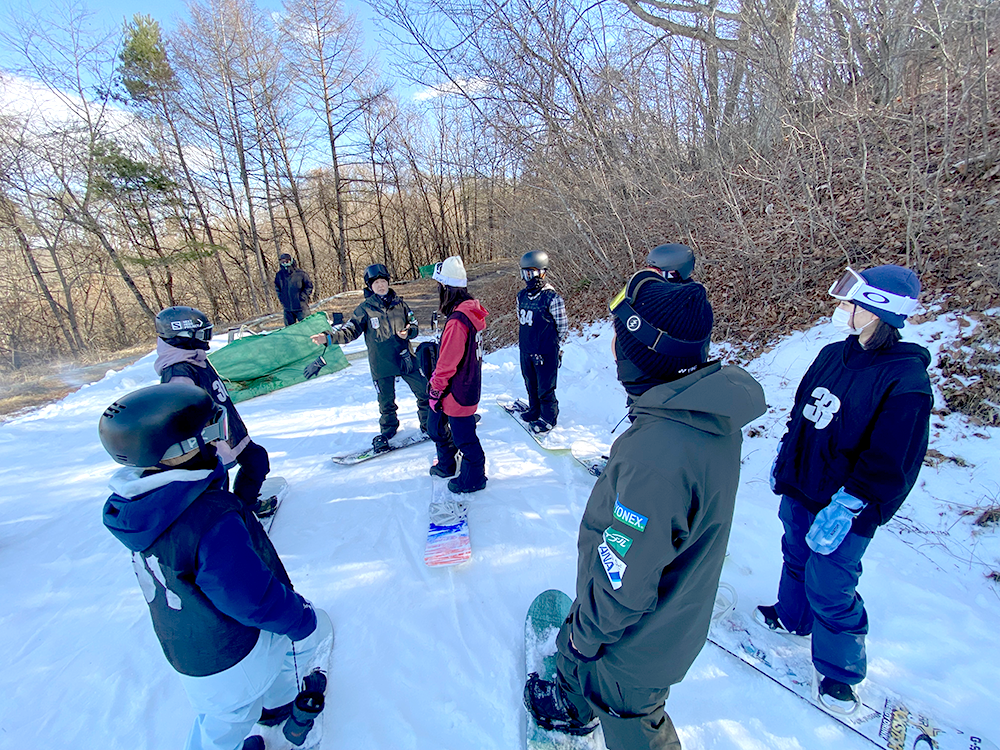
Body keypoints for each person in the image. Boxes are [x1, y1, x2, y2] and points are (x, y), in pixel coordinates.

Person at [524, 273, 767, 749]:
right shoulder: (698, 412)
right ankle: (574, 703)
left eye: (620, 337)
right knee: (580, 654)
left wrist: (584, 636)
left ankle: (593, 703)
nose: (613, 347)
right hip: (652, 616)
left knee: (631, 719)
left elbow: (625, 584)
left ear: (643, 352)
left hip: (634, 646)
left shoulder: (657, 455)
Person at [99, 381, 334, 750]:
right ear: (176, 449)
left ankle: (276, 707)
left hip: (190, 641)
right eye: (208, 433)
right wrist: (300, 618)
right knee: (225, 722)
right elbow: (249, 597)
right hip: (229, 653)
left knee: (255, 682)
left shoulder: (145, 506)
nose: (215, 442)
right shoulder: (206, 516)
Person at [756, 264, 931, 715]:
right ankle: (792, 618)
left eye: (851, 303)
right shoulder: (833, 354)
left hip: (845, 505)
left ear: (877, 312)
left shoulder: (905, 380)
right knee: (795, 555)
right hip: (803, 485)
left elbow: (893, 460)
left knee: (832, 583)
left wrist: (854, 504)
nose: (842, 309)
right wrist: (786, 457)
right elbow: (801, 413)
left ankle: (840, 673)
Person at [154, 306, 275, 518]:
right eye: (202, 334)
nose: (206, 339)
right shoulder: (178, 372)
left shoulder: (195, 357)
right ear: (183, 336)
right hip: (213, 443)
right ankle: (230, 522)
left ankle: (246, 505)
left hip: (231, 431)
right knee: (221, 487)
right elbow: (182, 416)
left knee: (256, 461)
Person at [311, 263, 428, 453]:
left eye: (383, 282)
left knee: (424, 392)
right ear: (370, 286)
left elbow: (413, 324)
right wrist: (329, 337)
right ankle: (389, 431)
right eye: (376, 283)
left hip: (405, 358)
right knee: (386, 401)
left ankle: (428, 424)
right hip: (381, 362)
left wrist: (410, 332)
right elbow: (349, 331)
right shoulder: (365, 309)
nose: (381, 286)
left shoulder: (401, 304)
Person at [426, 255, 489, 494]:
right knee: (452, 430)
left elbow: (447, 364)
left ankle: (474, 478)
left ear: (445, 288)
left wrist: (435, 389)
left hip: (458, 391)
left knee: (465, 438)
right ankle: (448, 464)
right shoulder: (469, 312)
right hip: (468, 386)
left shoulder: (458, 321)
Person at [611, 244, 697, 409]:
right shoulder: (693, 298)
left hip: (646, 388)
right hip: (672, 385)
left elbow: (617, 339)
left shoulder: (638, 290)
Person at [516, 250, 568, 434]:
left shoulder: (552, 298)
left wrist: (551, 345)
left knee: (545, 387)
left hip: (545, 351)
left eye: (531, 273)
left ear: (542, 272)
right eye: (525, 273)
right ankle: (534, 409)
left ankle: (548, 418)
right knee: (530, 382)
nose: (528, 278)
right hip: (526, 348)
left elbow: (562, 326)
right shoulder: (521, 296)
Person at [274, 252, 314, 326]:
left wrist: (303, 297)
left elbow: (309, 286)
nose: (285, 263)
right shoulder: (279, 275)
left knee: (307, 327)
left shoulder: (301, 274)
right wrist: (282, 299)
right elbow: (277, 288)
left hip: (301, 307)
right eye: (282, 262)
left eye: (287, 261)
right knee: (289, 330)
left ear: (291, 261)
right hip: (287, 308)